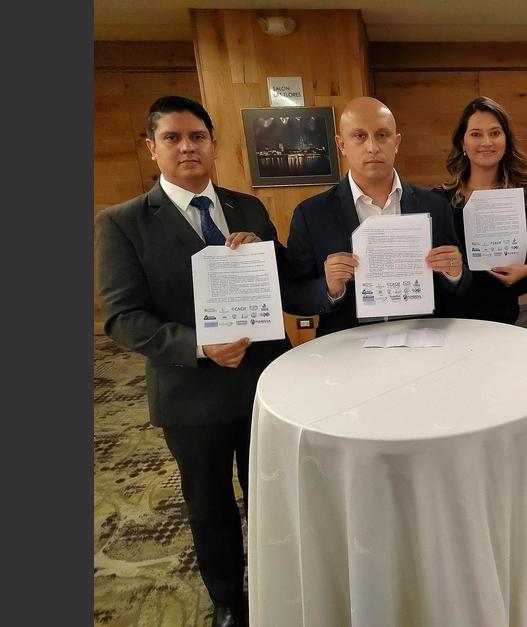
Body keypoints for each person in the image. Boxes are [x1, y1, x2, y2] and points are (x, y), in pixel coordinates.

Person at [96, 96, 291, 627]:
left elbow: (278, 286)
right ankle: (229, 600)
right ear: (151, 148)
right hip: (191, 393)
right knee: (210, 508)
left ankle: (283, 590)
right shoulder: (123, 223)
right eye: (173, 138)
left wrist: (264, 256)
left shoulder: (247, 207)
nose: (187, 147)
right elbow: (123, 318)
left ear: (212, 143)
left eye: (197, 137)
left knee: (275, 500)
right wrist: (200, 345)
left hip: (264, 385)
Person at [285, 96, 470, 335]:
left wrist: (455, 273)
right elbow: (293, 295)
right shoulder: (311, 214)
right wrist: (329, 288)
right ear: (341, 145)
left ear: (396, 142)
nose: (372, 147)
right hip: (347, 350)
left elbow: (461, 286)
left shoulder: (435, 206)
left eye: (382, 135)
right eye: (359, 136)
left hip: (423, 343)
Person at [432, 97, 527, 327]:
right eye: (476, 134)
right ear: (463, 142)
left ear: (506, 140)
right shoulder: (440, 199)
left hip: (513, 311)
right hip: (453, 315)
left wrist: (526, 270)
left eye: (495, 133)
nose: (487, 142)